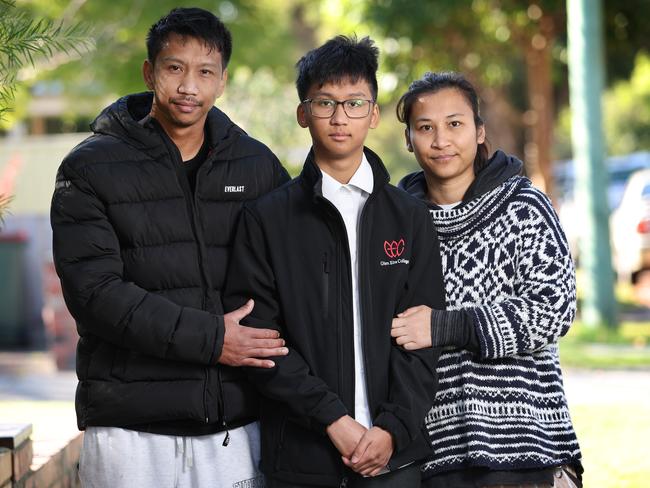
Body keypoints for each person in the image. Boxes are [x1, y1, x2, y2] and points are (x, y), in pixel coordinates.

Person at [50, 7, 290, 488]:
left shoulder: (256, 165)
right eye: (174, 68)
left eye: (205, 72)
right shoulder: (89, 168)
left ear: (222, 81)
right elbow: (95, 295)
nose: (188, 87)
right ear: (149, 73)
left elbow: (291, 276)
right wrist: (213, 339)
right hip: (128, 430)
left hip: (233, 426)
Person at [222, 36, 445, 487]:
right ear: (303, 113)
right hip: (302, 458)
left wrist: (392, 428)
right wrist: (333, 421)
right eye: (325, 102)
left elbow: (424, 336)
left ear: (374, 114)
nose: (340, 117)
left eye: (355, 103)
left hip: (396, 460)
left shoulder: (410, 217)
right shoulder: (265, 219)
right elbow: (262, 342)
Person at [391, 71, 583, 488]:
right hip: (431, 458)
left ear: (480, 131)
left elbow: (555, 309)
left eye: (455, 124)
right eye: (426, 128)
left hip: (528, 451)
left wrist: (444, 325)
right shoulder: (395, 223)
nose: (441, 140)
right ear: (409, 139)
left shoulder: (523, 205)